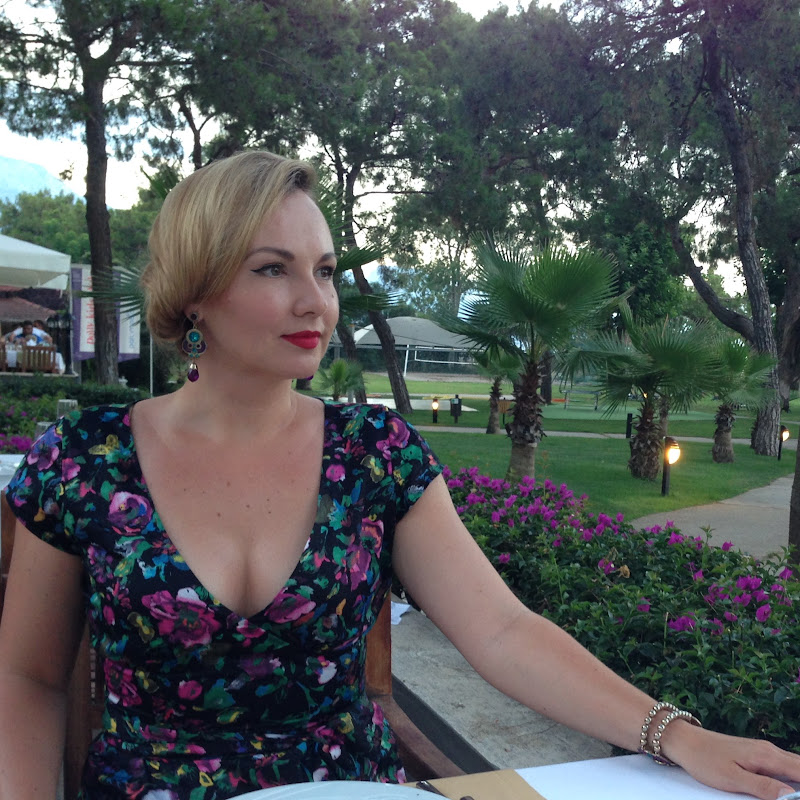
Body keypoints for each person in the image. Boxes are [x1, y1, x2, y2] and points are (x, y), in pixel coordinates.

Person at [1, 150, 799, 800]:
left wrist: (674, 735)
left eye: (325, 270)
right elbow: (29, 677)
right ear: (195, 292)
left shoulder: (373, 454)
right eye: (274, 269)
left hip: (349, 792)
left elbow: (502, 630)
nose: (316, 303)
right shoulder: (84, 460)